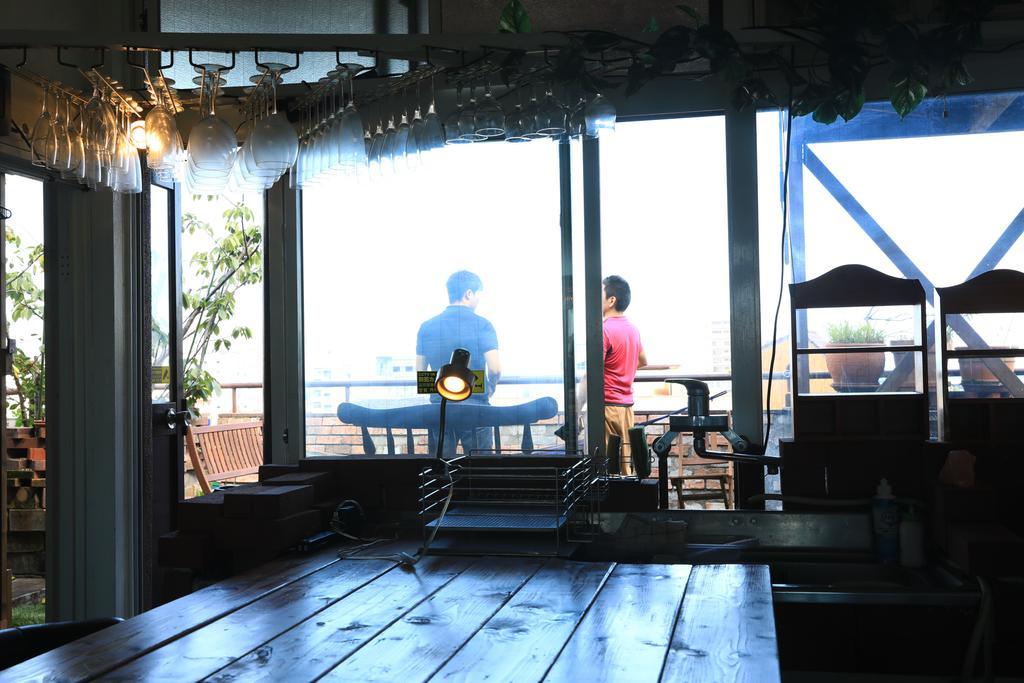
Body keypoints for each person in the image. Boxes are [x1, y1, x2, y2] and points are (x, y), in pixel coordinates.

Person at [416, 270, 502, 455]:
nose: (479, 300)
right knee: (479, 471)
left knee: (441, 470)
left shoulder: (427, 327)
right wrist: (491, 387)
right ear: (469, 293)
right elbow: (495, 368)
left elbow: (421, 373)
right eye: (478, 294)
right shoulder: (483, 325)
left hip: (440, 409)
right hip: (476, 406)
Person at [577, 275, 647, 473]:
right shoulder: (632, 329)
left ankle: (610, 505)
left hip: (605, 407)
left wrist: (575, 410)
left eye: (599, 292)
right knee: (624, 466)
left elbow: (591, 374)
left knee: (603, 468)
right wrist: (621, 370)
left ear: (611, 300)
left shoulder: (603, 330)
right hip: (625, 408)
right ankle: (626, 503)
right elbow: (642, 361)